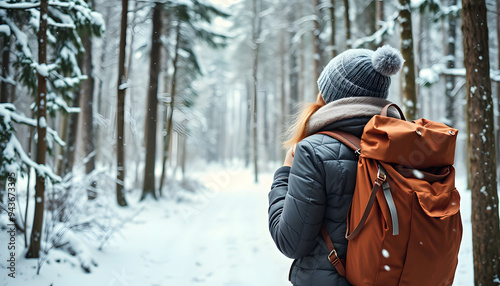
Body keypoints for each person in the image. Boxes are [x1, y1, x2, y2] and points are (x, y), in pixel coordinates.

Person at [268, 45, 404, 286]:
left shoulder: (313, 151)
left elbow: (290, 242)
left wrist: (284, 175)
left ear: (332, 95)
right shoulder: (403, 145)